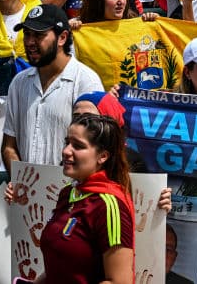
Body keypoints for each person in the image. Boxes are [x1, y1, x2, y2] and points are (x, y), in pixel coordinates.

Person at [37, 114, 135, 284]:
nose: (66, 151)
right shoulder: (68, 193)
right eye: (67, 142)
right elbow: (61, 267)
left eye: (78, 146)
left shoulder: (109, 206)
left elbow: (120, 281)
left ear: (102, 156)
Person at [2, 4, 103, 167]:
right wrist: (21, 181)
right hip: (26, 190)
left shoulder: (86, 81)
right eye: (27, 34)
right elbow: (9, 146)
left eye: (38, 35)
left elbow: (94, 148)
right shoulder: (19, 83)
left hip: (70, 189)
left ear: (62, 38)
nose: (30, 42)